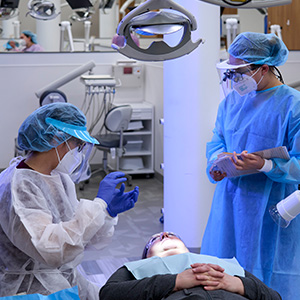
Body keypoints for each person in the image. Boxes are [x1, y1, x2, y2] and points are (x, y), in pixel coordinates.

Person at [0, 103, 139, 299]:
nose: (79, 152)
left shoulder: (59, 178)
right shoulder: (19, 186)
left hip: (60, 278)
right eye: (77, 144)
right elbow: (50, 249)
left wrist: (107, 214)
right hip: (27, 289)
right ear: (56, 138)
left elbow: (77, 239)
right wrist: (98, 205)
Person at [201, 32, 300, 300]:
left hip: (274, 208)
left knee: (272, 279)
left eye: (239, 72)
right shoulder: (230, 103)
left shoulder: (293, 105)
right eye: (230, 73)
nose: (234, 80)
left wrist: (266, 165)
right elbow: (217, 141)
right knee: (225, 273)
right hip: (231, 204)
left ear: (263, 68)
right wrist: (217, 163)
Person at [100, 231, 282, 299]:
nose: (165, 235)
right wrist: (176, 282)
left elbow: (274, 297)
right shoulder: (138, 269)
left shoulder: (222, 266)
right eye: (155, 239)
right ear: (147, 257)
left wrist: (237, 284)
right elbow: (108, 294)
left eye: (173, 235)